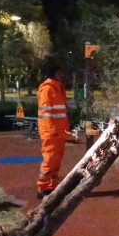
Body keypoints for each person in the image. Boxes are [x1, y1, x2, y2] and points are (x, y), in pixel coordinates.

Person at [36, 63, 70, 199]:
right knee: (50, 159)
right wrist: (52, 131)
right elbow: (46, 113)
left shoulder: (58, 88)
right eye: (59, 72)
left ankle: (52, 185)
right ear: (53, 74)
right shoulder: (48, 89)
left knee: (56, 160)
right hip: (51, 133)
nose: (61, 75)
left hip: (58, 133)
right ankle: (42, 187)